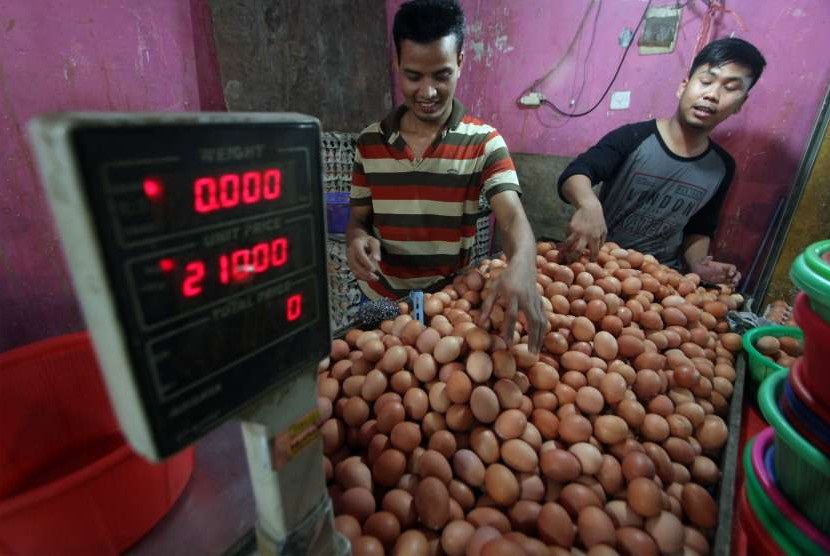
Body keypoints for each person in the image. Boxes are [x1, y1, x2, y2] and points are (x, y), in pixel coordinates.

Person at [347, 0, 545, 352]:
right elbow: (358, 220)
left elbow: (512, 216)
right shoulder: (369, 143)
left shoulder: (484, 142)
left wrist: (523, 262)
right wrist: (356, 241)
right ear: (396, 64)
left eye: (441, 74)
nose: (427, 92)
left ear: (460, 63)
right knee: (371, 380)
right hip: (382, 299)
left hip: (451, 307)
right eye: (413, 76)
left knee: (436, 391)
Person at [558, 37, 766, 287]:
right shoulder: (634, 137)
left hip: (662, 279)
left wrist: (699, 266)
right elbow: (577, 172)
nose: (712, 95)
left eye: (730, 88)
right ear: (683, 86)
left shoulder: (722, 167)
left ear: (740, 104)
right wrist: (588, 203)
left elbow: (699, 228)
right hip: (601, 265)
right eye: (706, 81)